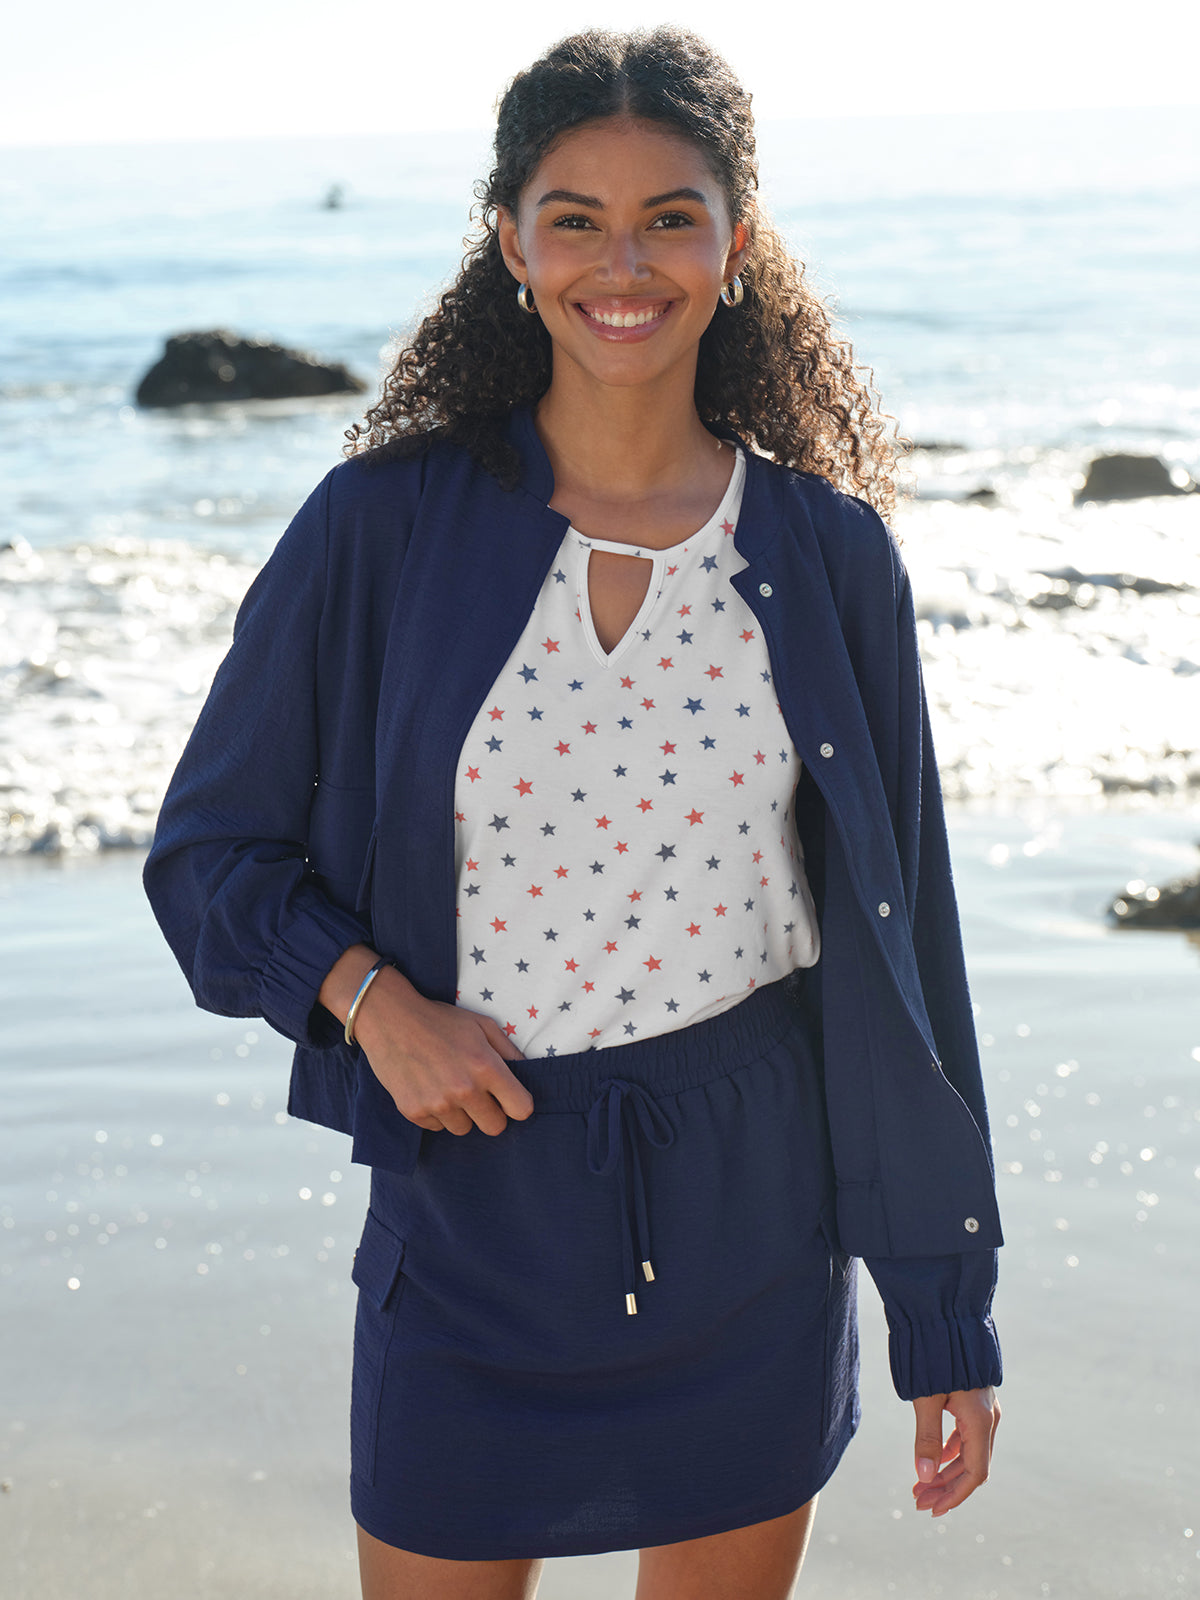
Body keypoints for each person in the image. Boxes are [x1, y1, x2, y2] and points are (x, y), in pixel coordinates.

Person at [144, 26, 1002, 1600]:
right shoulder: (381, 530)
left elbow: (906, 947)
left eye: (673, 216)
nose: (628, 263)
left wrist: (946, 1308)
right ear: (510, 243)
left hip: (757, 1216)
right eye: (577, 218)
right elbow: (209, 855)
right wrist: (367, 1001)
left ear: (737, 244)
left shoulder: (826, 558)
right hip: (473, 1209)